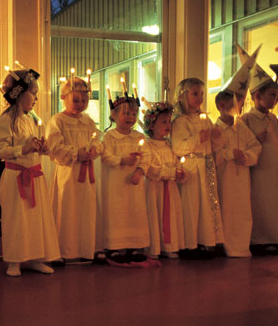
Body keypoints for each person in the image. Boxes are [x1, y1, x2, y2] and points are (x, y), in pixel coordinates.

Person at [0, 68, 60, 276]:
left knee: (35, 219)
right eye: (33, 92)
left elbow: (32, 145)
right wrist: (23, 149)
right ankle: (14, 260)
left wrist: (42, 149)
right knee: (16, 219)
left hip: (35, 176)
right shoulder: (4, 121)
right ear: (20, 93)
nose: (36, 98)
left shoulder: (30, 119)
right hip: (16, 177)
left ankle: (35, 257)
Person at [47, 77, 102, 263]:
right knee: (67, 209)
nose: (80, 104)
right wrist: (75, 153)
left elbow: (97, 138)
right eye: (76, 100)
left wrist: (94, 148)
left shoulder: (87, 121)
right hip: (69, 172)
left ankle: (86, 249)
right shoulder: (58, 120)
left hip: (86, 173)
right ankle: (66, 250)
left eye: (84, 101)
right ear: (64, 97)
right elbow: (53, 146)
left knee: (86, 209)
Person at [170, 78, 223, 259]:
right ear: (183, 96)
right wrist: (197, 139)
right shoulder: (180, 121)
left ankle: (206, 240)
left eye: (201, 93)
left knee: (208, 205)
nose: (199, 98)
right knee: (191, 205)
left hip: (206, 165)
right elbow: (178, 147)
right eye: (194, 94)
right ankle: (189, 243)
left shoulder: (205, 118)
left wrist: (215, 135)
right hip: (191, 167)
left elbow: (214, 144)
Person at [239, 64, 278, 254]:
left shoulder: (274, 120)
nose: (275, 100)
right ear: (257, 96)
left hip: (272, 169)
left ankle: (277, 237)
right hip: (257, 170)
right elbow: (243, 142)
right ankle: (259, 239)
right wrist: (255, 138)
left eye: (276, 96)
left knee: (275, 202)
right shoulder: (247, 119)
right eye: (272, 95)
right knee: (259, 203)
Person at [100, 96, 151, 265]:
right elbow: (106, 156)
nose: (130, 117)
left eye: (134, 113)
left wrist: (139, 171)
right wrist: (122, 160)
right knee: (117, 212)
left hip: (134, 184)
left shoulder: (139, 137)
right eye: (126, 113)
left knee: (135, 211)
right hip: (116, 183)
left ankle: (135, 245)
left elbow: (147, 156)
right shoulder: (109, 137)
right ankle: (114, 246)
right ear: (114, 115)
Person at [213, 91, 261, 257]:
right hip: (225, 178)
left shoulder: (241, 127)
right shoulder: (215, 129)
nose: (238, 107)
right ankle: (226, 246)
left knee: (242, 210)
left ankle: (241, 246)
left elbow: (255, 146)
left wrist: (247, 157)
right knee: (226, 209)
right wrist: (229, 154)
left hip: (241, 178)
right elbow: (213, 153)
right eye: (234, 104)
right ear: (221, 106)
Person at [143, 102, 186, 259]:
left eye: (169, 121)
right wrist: (170, 172)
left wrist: (181, 173)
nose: (168, 125)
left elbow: (176, 162)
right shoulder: (148, 145)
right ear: (152, 125)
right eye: (163, 122)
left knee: (170, 215)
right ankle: (154, 247)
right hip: (155, 188)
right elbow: (150, 169)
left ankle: (170, 245)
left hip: (170, 188)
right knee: (155, 214)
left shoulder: (169, 145)